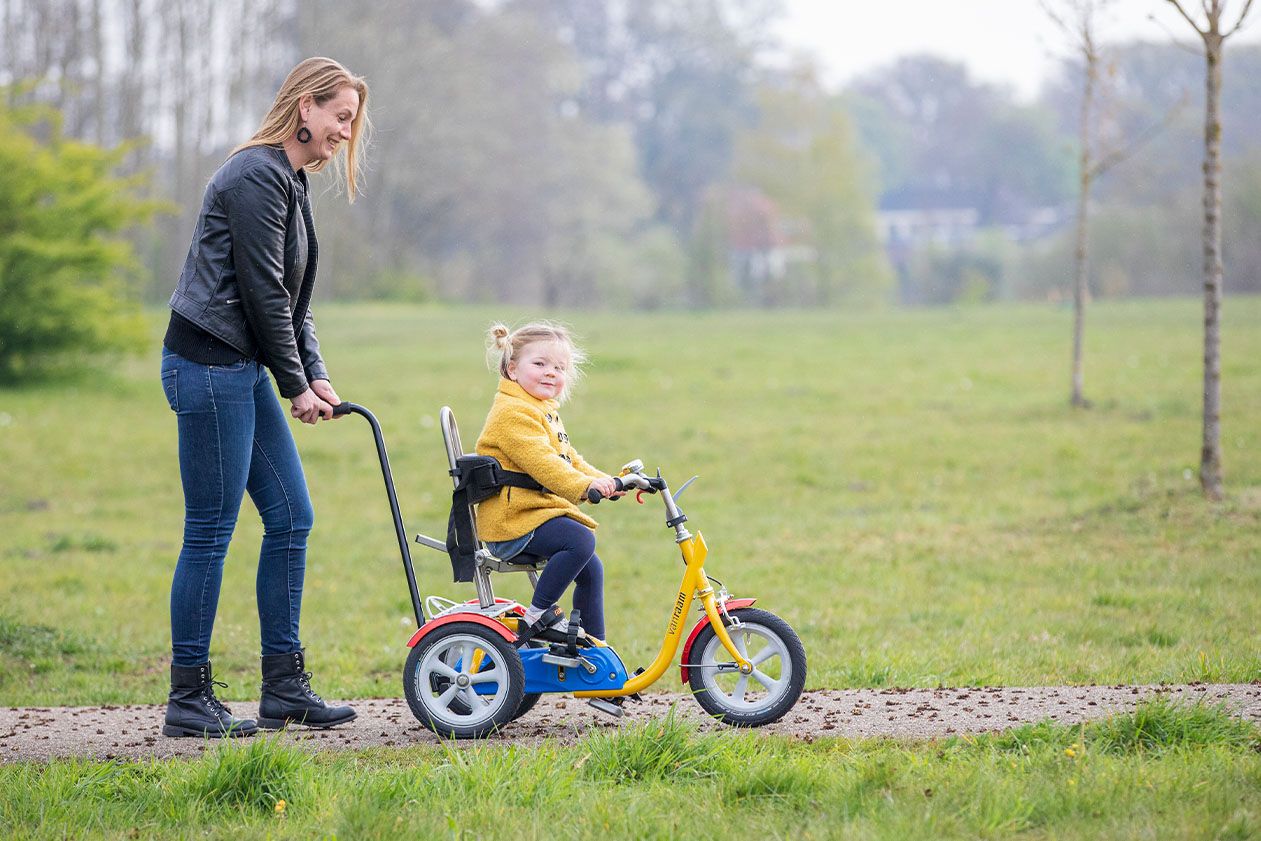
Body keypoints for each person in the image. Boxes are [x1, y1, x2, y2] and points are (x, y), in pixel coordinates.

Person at [158, 57, 369, 738]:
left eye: (351, 122)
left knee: (291, 517)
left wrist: (316, 373)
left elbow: (292, 298)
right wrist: (294, 385)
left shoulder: (289, 178)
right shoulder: (255, 175)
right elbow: (260, 292)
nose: (344, 132)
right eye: (340, 116)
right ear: (305, 107)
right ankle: (189, 698)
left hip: (243, 367)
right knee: (211, 530)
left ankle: (283, 687)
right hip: (209, 366)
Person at [474, 322, 623, 643]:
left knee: (590, 569)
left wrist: (606, 480)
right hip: (510, 523)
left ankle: (593, 648)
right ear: (512, 369)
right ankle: (539, 613)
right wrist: (584, 488)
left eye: (560, 367)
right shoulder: (512, 413)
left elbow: (568, 458)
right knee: (579, 541)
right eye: (539, 364)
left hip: (531, 514)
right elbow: (545, 464)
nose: (551, 373)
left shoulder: (540, 409)